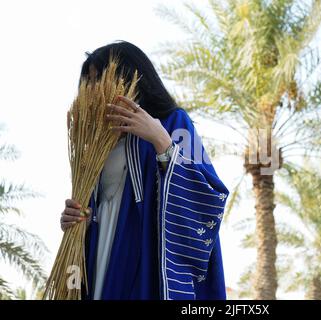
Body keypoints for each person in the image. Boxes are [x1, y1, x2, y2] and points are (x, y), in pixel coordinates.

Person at [60, 40, 229, 300]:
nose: (92, 89)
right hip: (101, 254)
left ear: (128, 79)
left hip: (145, 254)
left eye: (100, 78)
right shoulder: (93, 146)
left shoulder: (175, 122)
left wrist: (161, 140)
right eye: (88, 81)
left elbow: (206, 197)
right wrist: (77, 216)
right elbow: (99, 206)